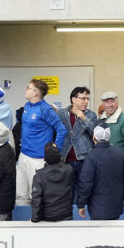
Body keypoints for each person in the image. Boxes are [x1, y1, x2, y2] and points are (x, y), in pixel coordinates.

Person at [17, 79, 67, 207]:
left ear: (35, 93)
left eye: (28, 88)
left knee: (36, 195)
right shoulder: (27, 106)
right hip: (23, 156)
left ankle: (35, 223)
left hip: (39, 159)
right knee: (20, 195)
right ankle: (22, 224)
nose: (25, 90)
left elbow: (61, 129)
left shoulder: (46, 109)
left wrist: (54, 153)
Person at [76, 125, 124, 221]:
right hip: (116, 207)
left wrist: (81, 204)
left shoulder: (91, 156)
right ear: (109, 138)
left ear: (94, 138)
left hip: (97, 209)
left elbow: (86, 183)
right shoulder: (119, 153)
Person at [58, 87, 98, 203]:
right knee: (67, 193)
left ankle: (82, 217)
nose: (86, 101)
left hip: (84, 159)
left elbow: (95, 134)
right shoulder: (62, 113)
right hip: (65, 159)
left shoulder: (91, 115)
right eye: (83, 98)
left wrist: (83, 118)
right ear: (73, 99)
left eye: (87, 99)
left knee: (83, 192)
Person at [31, 143, 75, 222]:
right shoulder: (69, 169)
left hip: (47, 218)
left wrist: (35, 218)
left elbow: (36, 199)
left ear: (44, 158)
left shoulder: (39, 176)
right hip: (66, 215)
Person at [98, 92, 124, 161]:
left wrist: (121, 162)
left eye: (112, 101)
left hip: (118, 164)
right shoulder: (100, 120)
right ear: (103, 104)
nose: (110, 105)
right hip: (102, 163)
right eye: (107, 102)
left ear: (117, 102)